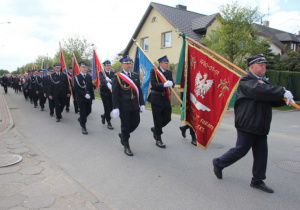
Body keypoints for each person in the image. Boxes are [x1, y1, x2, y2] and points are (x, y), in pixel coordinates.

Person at [212, 54, 295, 193]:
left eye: (265, 65)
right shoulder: (246, 80)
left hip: (261, 124)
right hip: (248, 123)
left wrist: (284, 99)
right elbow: (258, 92)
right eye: (260, 64)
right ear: (251, 67)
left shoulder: (264, 83)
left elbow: (269, 98)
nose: (264, 66)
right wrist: (281, 91)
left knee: (262, 153)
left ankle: (257, 180)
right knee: (241, 150)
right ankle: (219, 162)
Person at [112, 56, 145, 156]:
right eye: (126, 64)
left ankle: (123, 135)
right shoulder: (117, 77)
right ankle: (126, 145)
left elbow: (139, 90)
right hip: (124, 105)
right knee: (125, 125)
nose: (129, 65)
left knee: (136, 122)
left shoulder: (135, 76)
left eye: (130, 64)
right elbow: (115, 93)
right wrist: (116, 107)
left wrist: (142, 103)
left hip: (134, 104)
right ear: (122, 65)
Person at [147, 55, 174, 148]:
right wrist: (164, 84)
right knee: (157, 119)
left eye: (168, 63)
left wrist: (171, 84)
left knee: (168, 118)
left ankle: (156, 129)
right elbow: (153, 84)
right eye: (166, 63)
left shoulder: (169, 73)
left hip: (165, 98)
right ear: (161, 63)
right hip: (156, 98)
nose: (167, 65)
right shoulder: (154, 71)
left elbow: (172, 84)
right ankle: (158, 139)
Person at [74, 61, 95, 134]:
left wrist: (93, 97)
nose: (85, 68)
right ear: (80, 68)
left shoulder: (89, 76)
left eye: (86, 67)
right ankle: (83, 127)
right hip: (81, 98)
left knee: (89, 111)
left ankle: (81, 119)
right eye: (83, 67)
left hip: (88, 97)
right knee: (83, 112)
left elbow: (91, 88)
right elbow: (76, 88)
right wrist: (84, 94)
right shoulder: (77, 77)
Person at [99, 60, 115, 130]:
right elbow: (102, 80)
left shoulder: (113, 73)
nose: (108, 67)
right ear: (104, 66)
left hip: (111, 92)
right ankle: (109, 122)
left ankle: (104, 115)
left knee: (112, 106)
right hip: (104, 93)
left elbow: (114, 80)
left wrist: (110, 80)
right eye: (107, 66)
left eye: (109, 65)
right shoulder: (102, 73)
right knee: (107, 107)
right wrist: (106, 81)